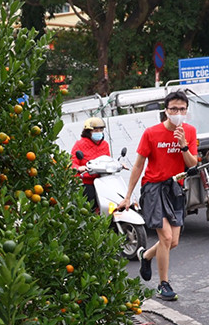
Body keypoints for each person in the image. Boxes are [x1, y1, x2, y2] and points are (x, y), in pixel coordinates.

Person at [116, 90, 198, 302]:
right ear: (166, 110)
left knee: (174, 242)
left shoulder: (189, 132)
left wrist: (183, 145)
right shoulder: (151, 133)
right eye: (174, 109)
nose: (178, 112)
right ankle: (164, 284)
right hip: (153, 188)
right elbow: (138, 165)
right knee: (166, 237)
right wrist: (128, 196)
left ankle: (146, 255)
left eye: (182, 109)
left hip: (175, 188)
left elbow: (192, 164)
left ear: (186, 110)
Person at [70, 117, 111, 211]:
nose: (99, 132)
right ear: (88, 132)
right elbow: (72, 162)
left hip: (103, 181)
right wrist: (79, 168)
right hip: (87, 182)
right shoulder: (79, 145)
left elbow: (108, 160)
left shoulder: (105, 145)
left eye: (101, 130)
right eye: (96, 130)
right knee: (90, 207)